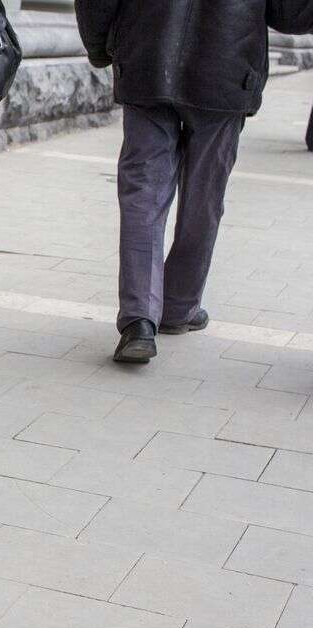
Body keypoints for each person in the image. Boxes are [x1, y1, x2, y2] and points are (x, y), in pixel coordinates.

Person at [77, 0, 313, 363]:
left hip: (147, 57)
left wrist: (99, 46)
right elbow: (290, 12)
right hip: (227, 67)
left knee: (143, 191)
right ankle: (178, 305)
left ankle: (140, 320)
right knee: (205, 193)